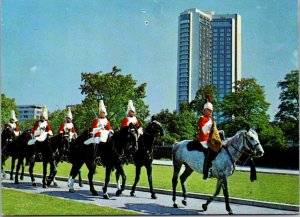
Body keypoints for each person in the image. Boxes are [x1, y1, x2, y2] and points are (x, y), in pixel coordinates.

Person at [84, 100, 113, 165]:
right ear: (99, 113)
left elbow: (108, 128)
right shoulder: (96, 120)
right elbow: (93, 128)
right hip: (98, 134)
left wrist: (108, 131)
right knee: (97, 141)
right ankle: (95, 157)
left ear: (105, 113)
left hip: (105, 134)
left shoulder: (107, 121)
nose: (102, 113)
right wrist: (99, 128)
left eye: (103, 112)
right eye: (101, 112)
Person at [197, 94, 216, 180]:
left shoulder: (211, 120)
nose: (211, 112)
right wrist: (210, 125)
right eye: (209, 110)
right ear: (205, 111)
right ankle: (206, 171)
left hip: (209, 140)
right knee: (210, 150)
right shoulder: (202, 118)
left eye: (211, 111)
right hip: (203, 140)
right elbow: (203, 130)